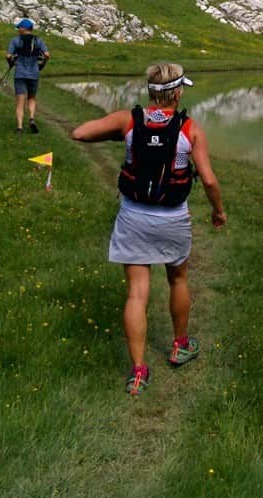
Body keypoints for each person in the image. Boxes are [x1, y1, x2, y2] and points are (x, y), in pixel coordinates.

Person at [71, 63, 226, 395]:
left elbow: (79, 133)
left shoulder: (130, 121)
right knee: (178, 279)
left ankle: (138, 372)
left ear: (151, 92)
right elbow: (210, 180)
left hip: (133, 218)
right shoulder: (190, 129)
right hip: (172, 217)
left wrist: (119, 133)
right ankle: (180, 345)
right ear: (178, 92)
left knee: (137, 294)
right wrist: (219, 211)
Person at [6, 18, 49, 134]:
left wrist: (11, 64)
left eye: (19, 28)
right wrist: (42, 65)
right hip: (34, 73)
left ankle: (19, 127)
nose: (18, 30)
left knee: (20, 101)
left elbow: (8, 55)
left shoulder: (15, 40)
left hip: (20, 73)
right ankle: (31, 119)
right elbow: (47, 54)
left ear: (24, 29)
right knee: (32, 98)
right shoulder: (38, 40)